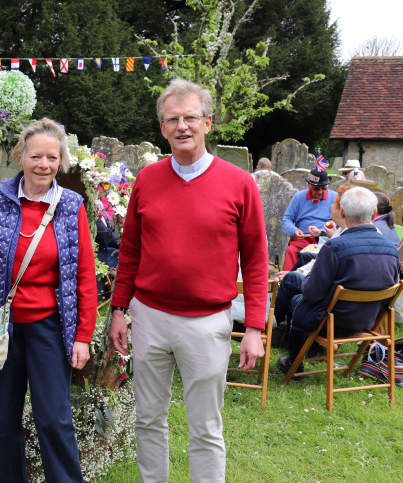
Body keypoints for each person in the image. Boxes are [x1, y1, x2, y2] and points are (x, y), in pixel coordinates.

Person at [108, 78, 269, 483]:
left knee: (206, 427)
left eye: (190, 118)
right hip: (149, 318)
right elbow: (130, 251)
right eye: (172, 119)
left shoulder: (239, 183)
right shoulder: (147, 179)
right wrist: (118, 310)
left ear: (208, 122)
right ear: (162, 128)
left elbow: (254, 260)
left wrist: (253, 327)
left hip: (208, 321)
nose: (182, 127)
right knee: (148, 419)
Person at [0, 118, 98, 483]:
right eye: (36, 156)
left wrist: (83, 336)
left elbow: (85, 276)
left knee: (54, 419)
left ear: (61, 161)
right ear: (21, 156)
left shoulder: (71, 206)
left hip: (49, 329)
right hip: (0, 328)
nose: (44, 164)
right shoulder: (0, 197)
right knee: (6, 420)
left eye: (52, 158)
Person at [274, 187, 401, 378]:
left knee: (298, 299)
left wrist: (308, 277)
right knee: (299, 287)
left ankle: (294, 359)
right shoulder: (392, 250)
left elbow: (311, 294)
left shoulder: (334, 246)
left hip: (331, 322)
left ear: (342, 212)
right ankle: (302, 349)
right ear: (374, 213)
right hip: (368, 322)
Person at [280, 167, 335, 271]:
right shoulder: (299, 197)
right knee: (291, 250)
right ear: (309, 185)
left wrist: (321, 232)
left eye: (324, 188)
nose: (320, 192)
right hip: (302, 239)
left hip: (323, 240)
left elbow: (340, 223)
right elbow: (287, 219)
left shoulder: (334, 197)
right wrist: (294, 230)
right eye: (317, 188)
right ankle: (288, 281)